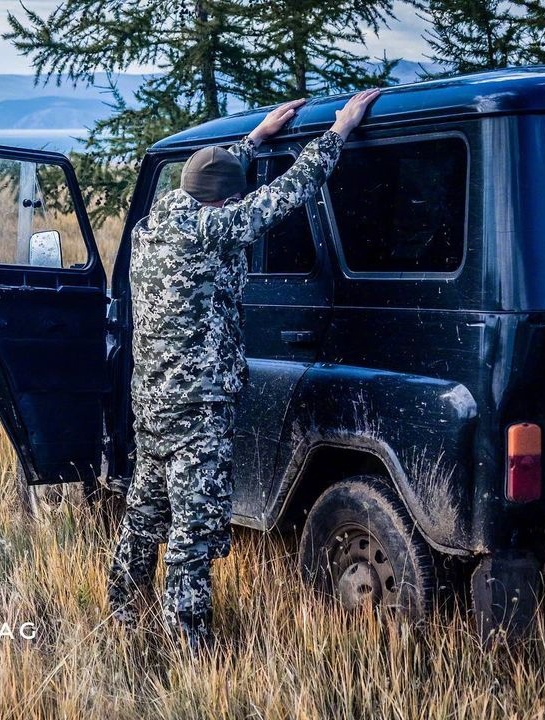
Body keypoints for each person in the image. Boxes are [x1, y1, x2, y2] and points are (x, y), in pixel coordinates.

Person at [107, 89, 381, 650]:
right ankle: (188, 649)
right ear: (220, 207)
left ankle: (120, 617)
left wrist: (251, 143)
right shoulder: (212, 230)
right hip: (197, 410)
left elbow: (209, 184)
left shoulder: (156, 223)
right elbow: (284, 197)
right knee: (193, 532)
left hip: (153, 403)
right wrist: (338, 132)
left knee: (143, 515)